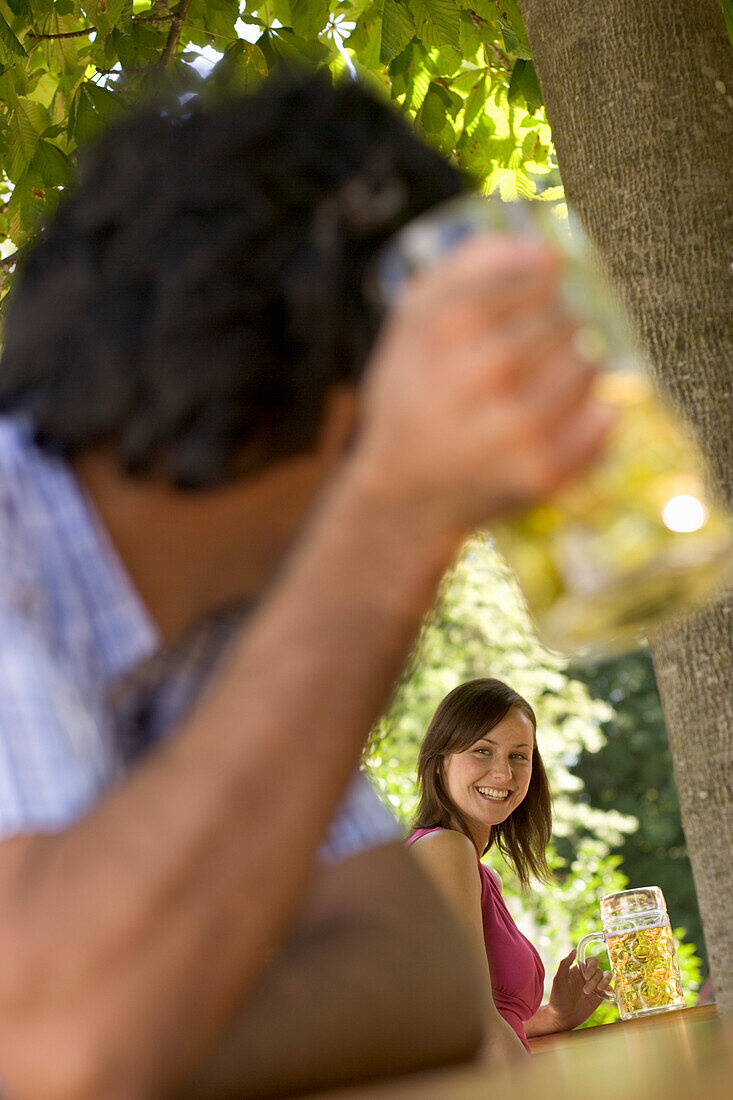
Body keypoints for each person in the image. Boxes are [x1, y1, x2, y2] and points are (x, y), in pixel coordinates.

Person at [0, 69, 612, 1099]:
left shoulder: (221, 636)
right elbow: (60, 1045)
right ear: (350, 390)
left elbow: (423, 981)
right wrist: (393, 512)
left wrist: (129, 1027)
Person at [408, 678, 613, 1054]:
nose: (503, 774)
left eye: (519, 756)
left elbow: (485, 1020)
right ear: (440, 763)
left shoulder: (477, 871)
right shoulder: (444, 849)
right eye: (482, 751)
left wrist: (554, 1017)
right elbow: (475, 1022)